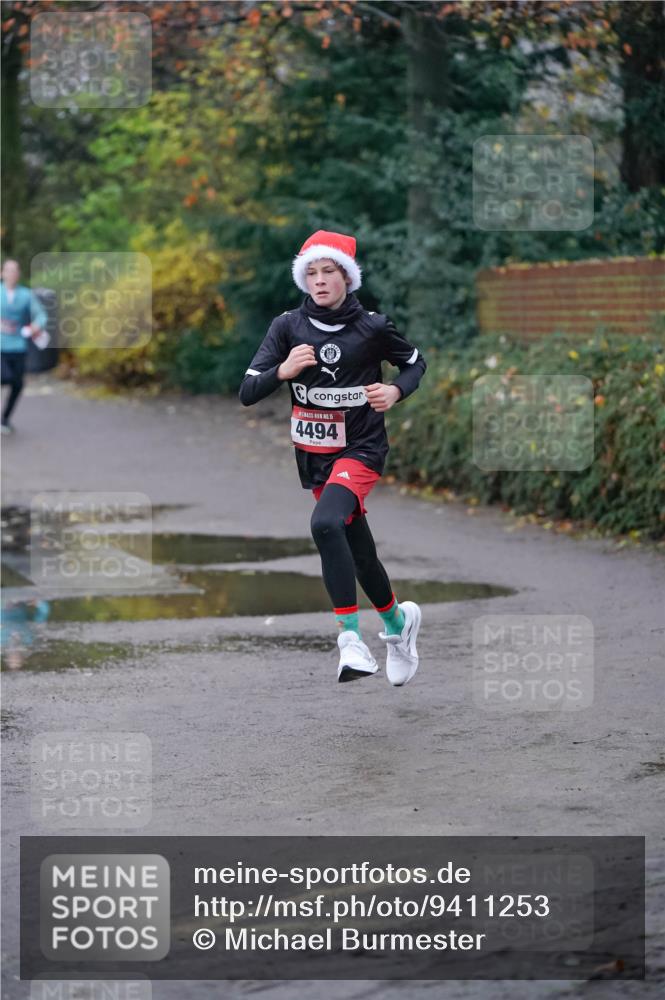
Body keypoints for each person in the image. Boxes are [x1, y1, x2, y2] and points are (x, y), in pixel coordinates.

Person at [239, 230, 427, 685]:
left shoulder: (373, 328)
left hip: (361, 447)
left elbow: (416, 363)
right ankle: (399, 627)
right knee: (358, 551)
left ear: (347, 277)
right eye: (312, 272)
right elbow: (248, 391)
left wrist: (395, 390)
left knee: (325, 525)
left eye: (329, 272)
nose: (320, 280)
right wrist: (282, 371)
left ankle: (349, 640)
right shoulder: (287, 327)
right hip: (315, 457)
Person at [1, 258, 49, 434]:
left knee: (18, 384)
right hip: (1, 347)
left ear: (18, 274)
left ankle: (4, 419)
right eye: (8, 270)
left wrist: (36, 326)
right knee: (4, 377)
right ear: (2, 273)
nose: (11, 274)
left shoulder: (26, 295)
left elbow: (41, 315)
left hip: (18, 346)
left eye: (15, 271)